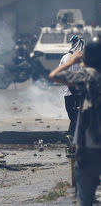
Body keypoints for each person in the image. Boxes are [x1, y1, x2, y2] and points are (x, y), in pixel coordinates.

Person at [49, 35, 101, 206]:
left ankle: (71, 145)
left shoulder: (88, 74)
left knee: (85, 198)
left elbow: (54, 75)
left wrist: (72, 61)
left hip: (89, 148)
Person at [58, 35, 84, 137]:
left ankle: (72, 138)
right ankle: (73, 139)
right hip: (78, 93)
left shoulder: (65, 57)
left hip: (68, 94)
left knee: (74, 117)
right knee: (76, 118)